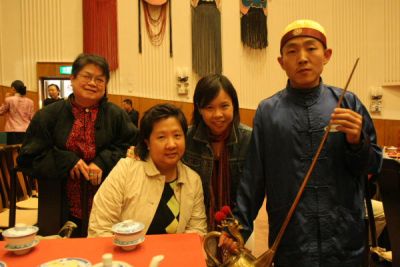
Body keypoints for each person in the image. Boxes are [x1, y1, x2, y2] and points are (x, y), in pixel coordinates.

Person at [232, 19, 382, 266]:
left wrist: (358, 142)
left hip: (344, 241)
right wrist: (238, 230)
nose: (302, 57)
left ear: (326, 55)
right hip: (293, 244)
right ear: (281, 62)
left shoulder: (348, 104)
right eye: (292, 51)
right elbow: (253, 179)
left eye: (311, 48)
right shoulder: (268, 112)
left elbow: (374, 167)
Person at [17, 53, 138, 237]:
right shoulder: (48, 115)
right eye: (87, 76)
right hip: (58, 203)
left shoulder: (116, 115)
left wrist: (103, 161)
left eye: (100, 79)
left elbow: (131, 146)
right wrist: (67, 160)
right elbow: (28, 157)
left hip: (111, 204)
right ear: (72, 79)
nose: (93, 83)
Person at [88, 103, 207, 237]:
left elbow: (197, 233)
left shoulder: (193, 180)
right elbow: (99, 228)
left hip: (175, 257)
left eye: (177, 136)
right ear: (147, 143)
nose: (171, 144)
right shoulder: (126, 170)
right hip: (125, 255)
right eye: (161, 137)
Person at [182, 74, 252, 231]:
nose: (218, 114)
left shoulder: (249, 139)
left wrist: (239, 228)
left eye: (224, 106)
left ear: (234, 105)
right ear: (199, 110)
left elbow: (252, 192)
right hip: (196, 225)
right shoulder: (186, 137)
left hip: (238, 226)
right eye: (209, 108)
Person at [0, 80, 34, 144]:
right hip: (26, 129)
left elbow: (1, 111)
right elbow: (32, 117)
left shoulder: (9, 100)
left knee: (13, 151)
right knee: (24, 149)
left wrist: (5, 99)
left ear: (13, 89)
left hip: (12, 129)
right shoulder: (30, 101)